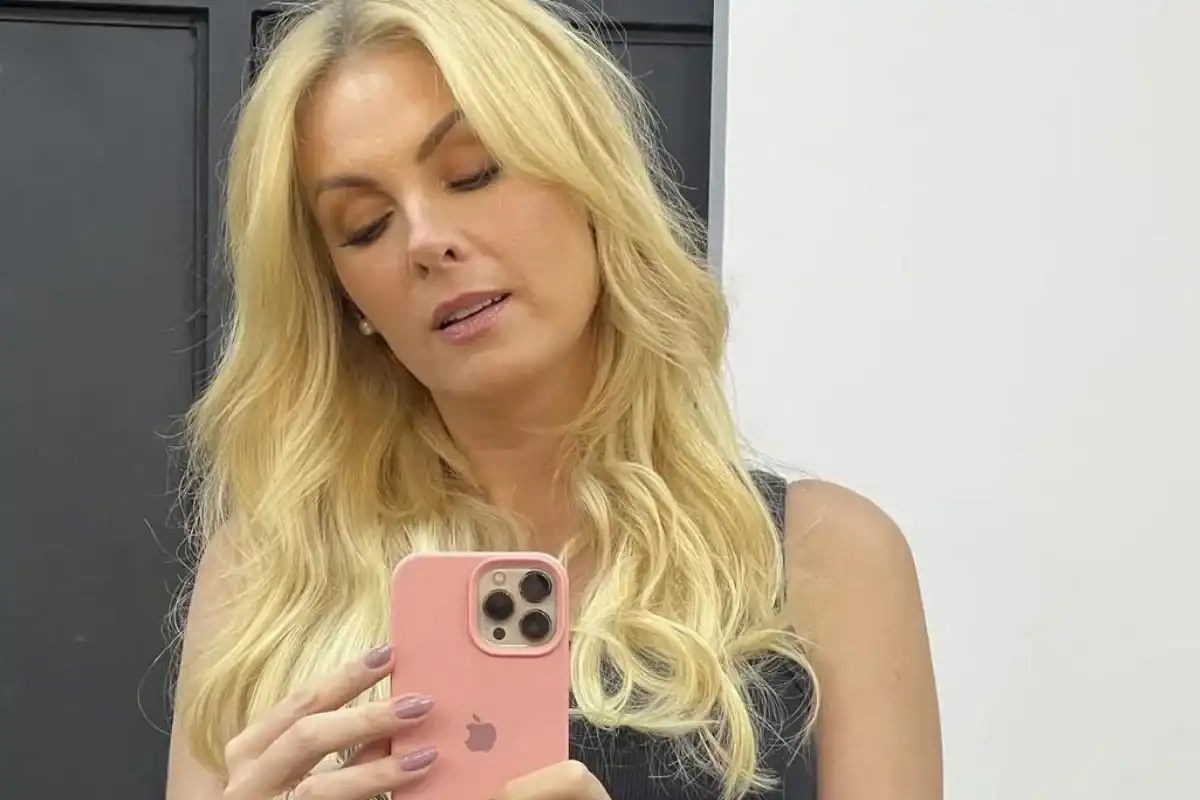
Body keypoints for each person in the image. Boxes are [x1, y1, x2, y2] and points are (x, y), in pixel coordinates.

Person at [165, 1, 942, 798]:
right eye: (365, 226)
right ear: (343, 296)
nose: (426, 240)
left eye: (473, 173)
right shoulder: (267, 580)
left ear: (589, 180)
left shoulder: (827, 561)